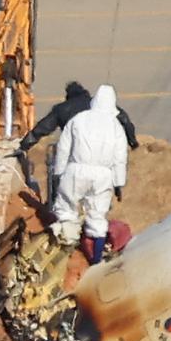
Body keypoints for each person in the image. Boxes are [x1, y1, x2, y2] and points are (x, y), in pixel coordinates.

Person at [51, 84, 128, 263]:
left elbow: (63, 148)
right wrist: (118, 183)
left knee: (66, 210)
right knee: (97, 215)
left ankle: (65, 254)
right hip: (103, 176)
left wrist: (59, 171)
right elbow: (120, 158)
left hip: (76, 171)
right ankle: (95, 259)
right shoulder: (115, 127)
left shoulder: (78, 119)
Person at [18, 80, 140, 153]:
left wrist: (24, 146)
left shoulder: (61, 109)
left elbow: (41, 130)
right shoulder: (99, 103)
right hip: (101, 147)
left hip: (74, 148)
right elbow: (125, 120)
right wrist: (132, 141)